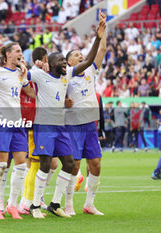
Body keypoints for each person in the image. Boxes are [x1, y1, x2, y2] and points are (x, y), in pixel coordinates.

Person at [28, 11, 106, 219]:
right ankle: (35, 205)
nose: (65, 64)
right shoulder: (39, 75)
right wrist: (33, 65)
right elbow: (21, 75)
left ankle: (54, 204)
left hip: (60, 126)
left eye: (65, 61)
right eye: (62, 61)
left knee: (70, 164)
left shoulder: (67, 75)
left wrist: (98, 38)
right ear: (51, 64)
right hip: (43, 126)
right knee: (45, 164)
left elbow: (89, 60)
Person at [0, 42, 36, 220]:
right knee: (0, 165)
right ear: (7, 54)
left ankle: (12, 205)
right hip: (1, 122)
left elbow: (29, 92)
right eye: (17, 51)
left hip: (18, 123)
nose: (20, 54)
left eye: (21, 51)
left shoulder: (19, 73)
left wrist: (26, 74)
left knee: (21, 166)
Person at [64, 19, 107, 216]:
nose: (80, 55)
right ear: (69, 62)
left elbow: (101, 52)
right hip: (73, 124)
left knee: (96, 164)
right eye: (75, 54)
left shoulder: (90, 70)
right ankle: (68, 203)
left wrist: (102, 32)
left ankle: (89, 204)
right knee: (74, 165)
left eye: (81, 52)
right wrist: (65, 103)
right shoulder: (66, 76)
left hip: (90, 125)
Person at [19, 47, 58, 212]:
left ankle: (33, 197)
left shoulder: (39, 74)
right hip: (33, 122)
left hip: (35, 122)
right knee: (34, 165)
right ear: (43, 59)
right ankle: (25, 202)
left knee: (46, 164)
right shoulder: (36, 74)